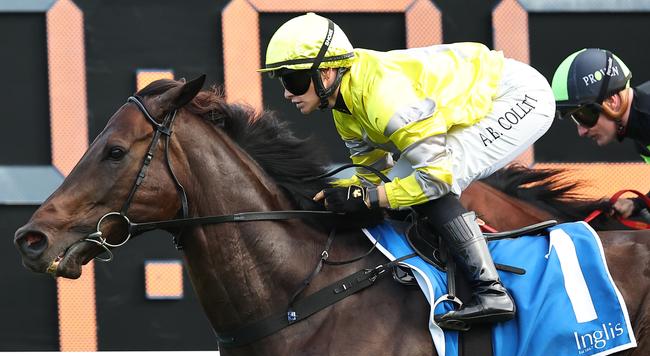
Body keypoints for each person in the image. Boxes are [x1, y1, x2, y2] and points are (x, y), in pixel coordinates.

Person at [259, 13, 555, 330]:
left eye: (293, 80)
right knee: (401, 184)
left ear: (328, 72)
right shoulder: (344, 109)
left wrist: (369, 197)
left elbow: (435, 179)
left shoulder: (384, 98)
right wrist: (336, 194)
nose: (288, 94)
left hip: (520, 96)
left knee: (435, 179)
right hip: (487, 93)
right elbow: (372, 179)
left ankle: (492, 292)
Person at [552, 48, 650, 219]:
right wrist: (636, 204)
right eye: (576, 119)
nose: (581, 131)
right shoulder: (639, 125)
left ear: (612, 101)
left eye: (584, 115)